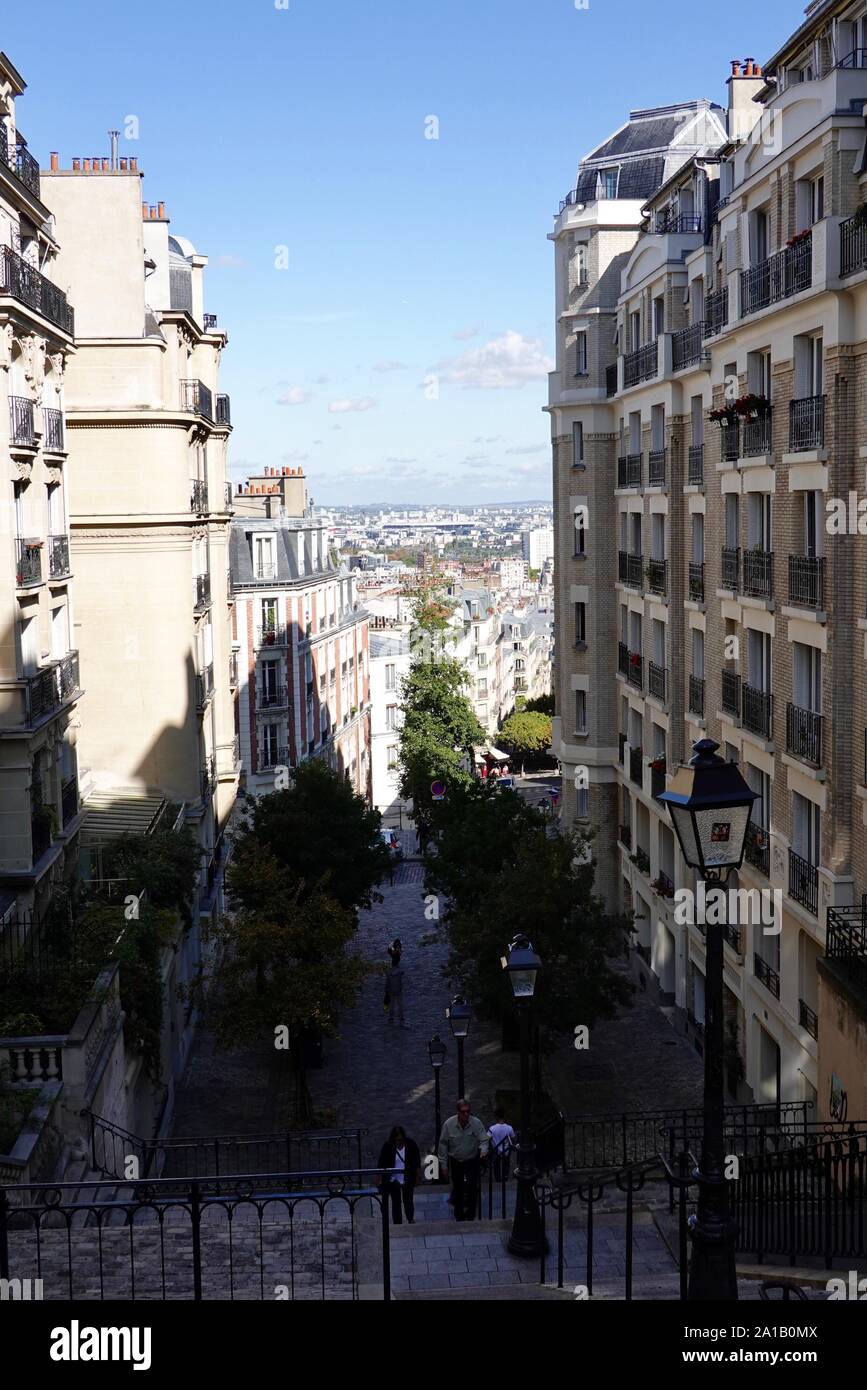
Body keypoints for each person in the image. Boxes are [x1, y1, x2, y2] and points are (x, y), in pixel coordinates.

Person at [437, 1099, 490, 1221]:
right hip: (456, 1161)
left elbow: (483, 1139)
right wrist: (444, 1165)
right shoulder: (449, 1124)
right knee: (458, 1188)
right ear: (458, 1112)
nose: (466, 1114)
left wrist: (483, 1150)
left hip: (472, 1160)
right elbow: (443, 1145)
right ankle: (459, 1215)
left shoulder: (476, 1123)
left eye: (468, 1111)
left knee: (472, 1188)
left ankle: (471, 1214)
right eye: (463, 1112)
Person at [377, 1125, 421, 1225]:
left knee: (408, 1199)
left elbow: (416, 1161)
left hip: (408, 1177)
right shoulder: (388, 1146)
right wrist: (379, 1178)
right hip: (393, 1180)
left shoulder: (411, 1144)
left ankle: (410, 1218)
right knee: (396, 1202)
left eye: (401, 1139)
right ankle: (398, 1223)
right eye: (397, 1140)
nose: (399, 1142)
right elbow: (381, 1163)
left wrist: (418, 1176)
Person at [488, 1108, 516, 1184]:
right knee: (506, 1164)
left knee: (496, 1165)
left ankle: (498, 1179)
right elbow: (513, 1138)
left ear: (496, 1117)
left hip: (496, 1150)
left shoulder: (492, 1128)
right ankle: (505, 1177)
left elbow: (487, 1139)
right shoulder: (509, 1128)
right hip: (506, 1150)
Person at [386, 959, 407, 1026]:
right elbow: (403, 972)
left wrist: (386, 990)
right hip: (398, 990)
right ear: (397, 964)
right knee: (400, 1004)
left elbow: (387, 982)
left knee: (392, 1004)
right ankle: (401, 1017)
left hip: (391, 990)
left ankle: (391, 1017)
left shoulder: (389, 972)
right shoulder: (399, 971)